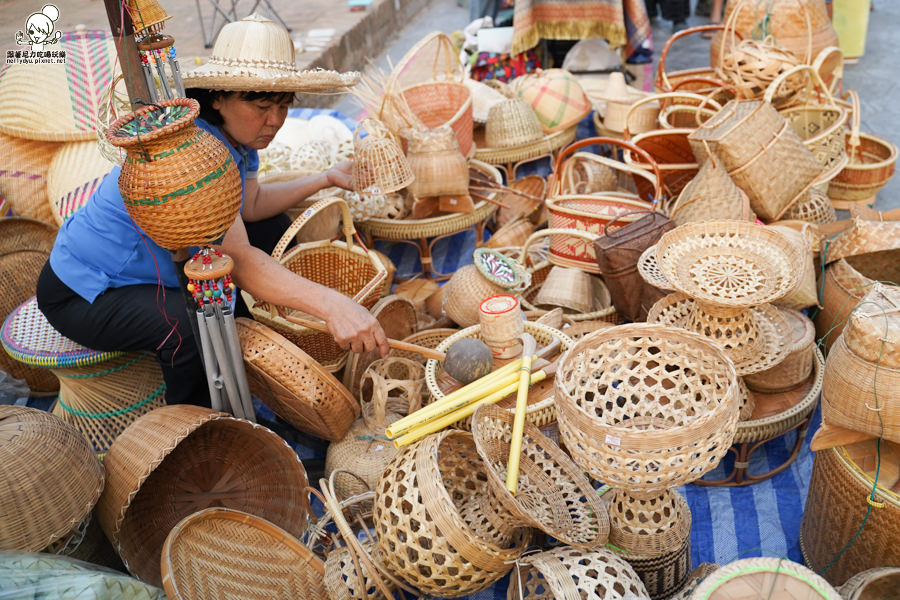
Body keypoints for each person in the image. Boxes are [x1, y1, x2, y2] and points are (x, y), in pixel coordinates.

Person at [36, 14, 389, 408]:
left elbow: (251, 205)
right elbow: (238, 260)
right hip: (85, 293)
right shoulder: (194, 152)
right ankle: (197, 423)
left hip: (144, 274)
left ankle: (262, 337)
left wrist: (325, 178)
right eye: (262, 105)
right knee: (187, 323)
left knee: (273, 227)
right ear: (218, 97)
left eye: (283, 105)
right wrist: (331, 305)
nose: (275, 120)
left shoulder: (237, 141)